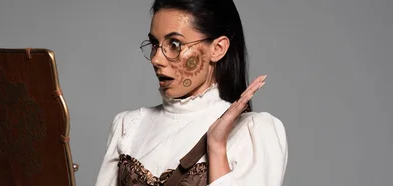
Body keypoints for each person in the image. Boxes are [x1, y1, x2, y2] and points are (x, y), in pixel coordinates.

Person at [94, 0, 288, 185]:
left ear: (218, 49)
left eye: (174, 44)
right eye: (155, 44)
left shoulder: (252, 132)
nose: (156, 59)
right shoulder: (128, 126)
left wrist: (217, 147)